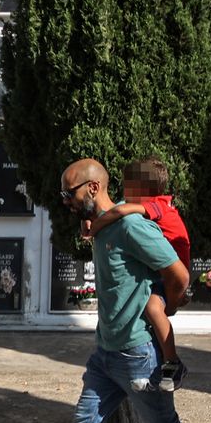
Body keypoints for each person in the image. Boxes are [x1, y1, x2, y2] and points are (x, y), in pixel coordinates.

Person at [12, 159, 211, 423]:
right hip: (107, 351)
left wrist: (166, 305)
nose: (64, 201)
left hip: (137, 353)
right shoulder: (106, 225)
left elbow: (179, 273)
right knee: (86, 420)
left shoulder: (132, 227)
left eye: (68, 193)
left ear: (91, 188)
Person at [83, 156, 191, 391]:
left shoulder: (155, 206)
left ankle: (173, 361)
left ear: (142, 190)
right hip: (162, 275)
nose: (123, 191)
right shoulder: (152, 204)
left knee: (153, 308)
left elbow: (119, 210)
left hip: (171, 275)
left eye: (127, 185)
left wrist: (95, 230)